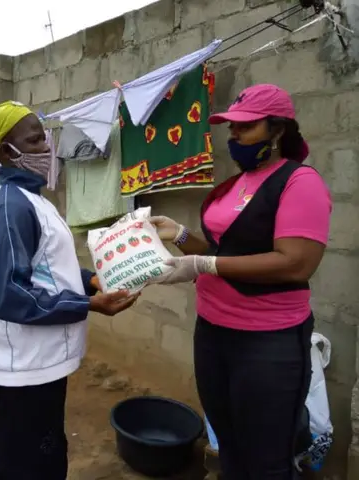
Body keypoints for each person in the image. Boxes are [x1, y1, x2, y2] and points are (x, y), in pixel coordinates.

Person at [150, 84, 332, 479]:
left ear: (278, 129)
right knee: (228, 443)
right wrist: (180, 236)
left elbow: (295, 263)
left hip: (267, 342)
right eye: (231, 128)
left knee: (267, 458)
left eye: (245, 128)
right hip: (214, 333)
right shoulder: (234, 185)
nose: (234, 136)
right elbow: (223, 253)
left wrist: (201, 265)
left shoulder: (299, 182)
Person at [0, 101, 137, 480]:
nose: (46, 148)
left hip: (41, 361)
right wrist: (90, 304)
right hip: (27, 365)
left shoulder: (35, 201)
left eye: (44, 138)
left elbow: (49, 269)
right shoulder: (13, 207)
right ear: (5, 152)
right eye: (33, 141)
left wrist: (90, 280)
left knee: (37, 457)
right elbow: (9, 294)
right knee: (28, 467)